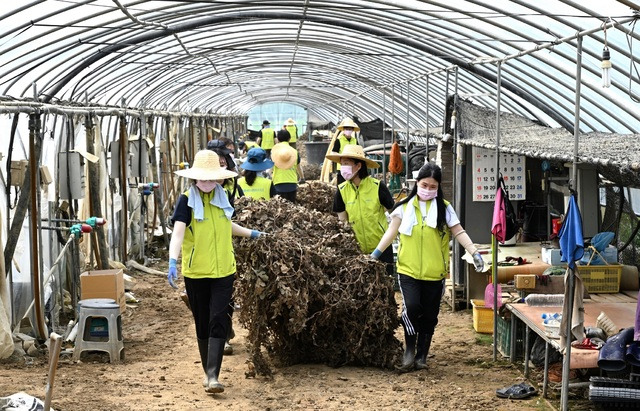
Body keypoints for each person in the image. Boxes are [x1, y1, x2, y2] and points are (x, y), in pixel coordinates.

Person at [370, 162, 484, 372]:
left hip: (435, 273)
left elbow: (459, 231)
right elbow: (391, 233)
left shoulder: (444, 208)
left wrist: (474, 251)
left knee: (430, 315)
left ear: (438, 187)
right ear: (417, 184)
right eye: (425, 185)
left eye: (433, 186)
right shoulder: (404, 207)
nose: (428, 189)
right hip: (408, 270)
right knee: (411, 308)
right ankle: (409, 351)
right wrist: (376, 254)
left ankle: (422, 355)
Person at [168, 149, 266, 394]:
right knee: (202, 321)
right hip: (197, 272)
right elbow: (178, 232)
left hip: (224, 270)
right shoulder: (186, 200)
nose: (208, 183)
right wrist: (172, 260)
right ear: (194, 178)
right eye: (203, 179)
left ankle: (213, 376)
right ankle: (207, 371)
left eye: (212, 179)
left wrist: (251, 233)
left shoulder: (223, 198)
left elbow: (225, 225)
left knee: (219, 318)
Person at [326, 144, 394, 277]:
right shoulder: (341, 190)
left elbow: (395, 213)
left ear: (358, 166)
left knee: (386, 286)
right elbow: (343, 222)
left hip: (381, 247)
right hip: (357, 251)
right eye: (342, 164)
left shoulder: (377, 187)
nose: (342, 168)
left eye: (346, 163)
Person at [207, 139, 244, 206]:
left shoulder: (235, 187)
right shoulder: (201, 190)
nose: (222, 161)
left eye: (223, 157)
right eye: (217, 157)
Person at [271, 129, 304, 203]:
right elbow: (299, 167)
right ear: (289, 139)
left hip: (278, 183)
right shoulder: (294, 152)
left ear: (278, 139)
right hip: (292, 183)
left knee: (279, 206)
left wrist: (269, 176)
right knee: (291, 206)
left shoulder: (274, 151)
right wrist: (302, 178)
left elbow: (271, 167)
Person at [331, 118, 359, 184]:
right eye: (346, 129)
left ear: (352, 130)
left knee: (352, 185)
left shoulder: (354, 140)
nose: (348, 130)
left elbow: (358, 152)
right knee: (342, 186)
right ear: (343, 130)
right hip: (342, 167)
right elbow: (334, 152)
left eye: (350, 129)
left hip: (353, 167)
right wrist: (342, 157)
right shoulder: (339, 140)